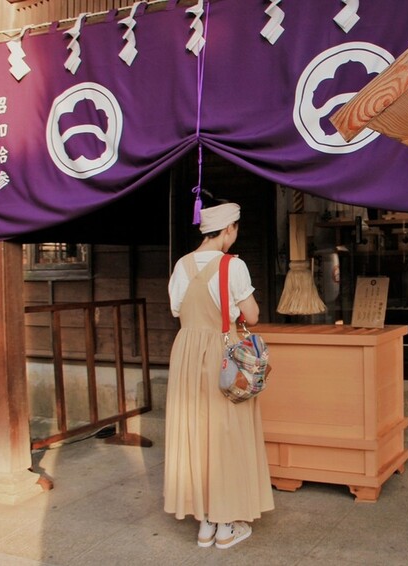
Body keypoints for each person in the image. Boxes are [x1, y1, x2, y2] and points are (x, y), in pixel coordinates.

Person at [163, 201, 274, 549]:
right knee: (225, 431)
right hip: (222, 355)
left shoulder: (181, 266)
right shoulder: (233, 266)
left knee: (193, 430)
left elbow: (177, 309)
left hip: (186, 353)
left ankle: (205, 523)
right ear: (228, 230)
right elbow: (252, 316)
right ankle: (226, 526)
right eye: (235, 229)